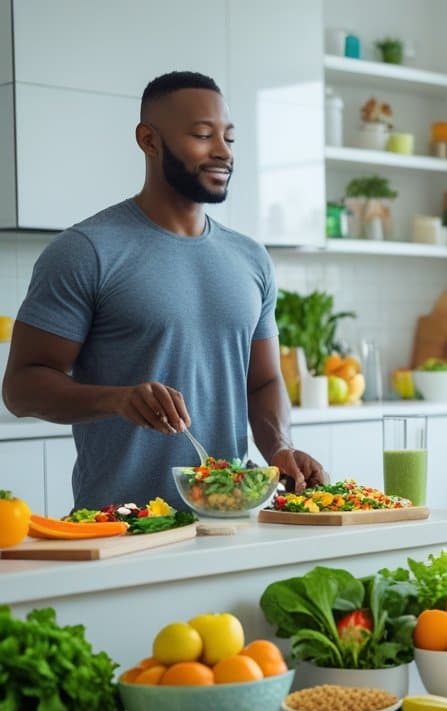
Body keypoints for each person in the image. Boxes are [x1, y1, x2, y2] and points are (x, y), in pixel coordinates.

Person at [1, 71, 325, 509]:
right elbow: (21, 388)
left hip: (229, 518)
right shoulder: (86, 252)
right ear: (149, 140)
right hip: (121, 525)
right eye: (202, 135)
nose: (222, 152)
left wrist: (279, 448)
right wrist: (116, 398)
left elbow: (263, 380)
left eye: (229, 138)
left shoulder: (251, 258)